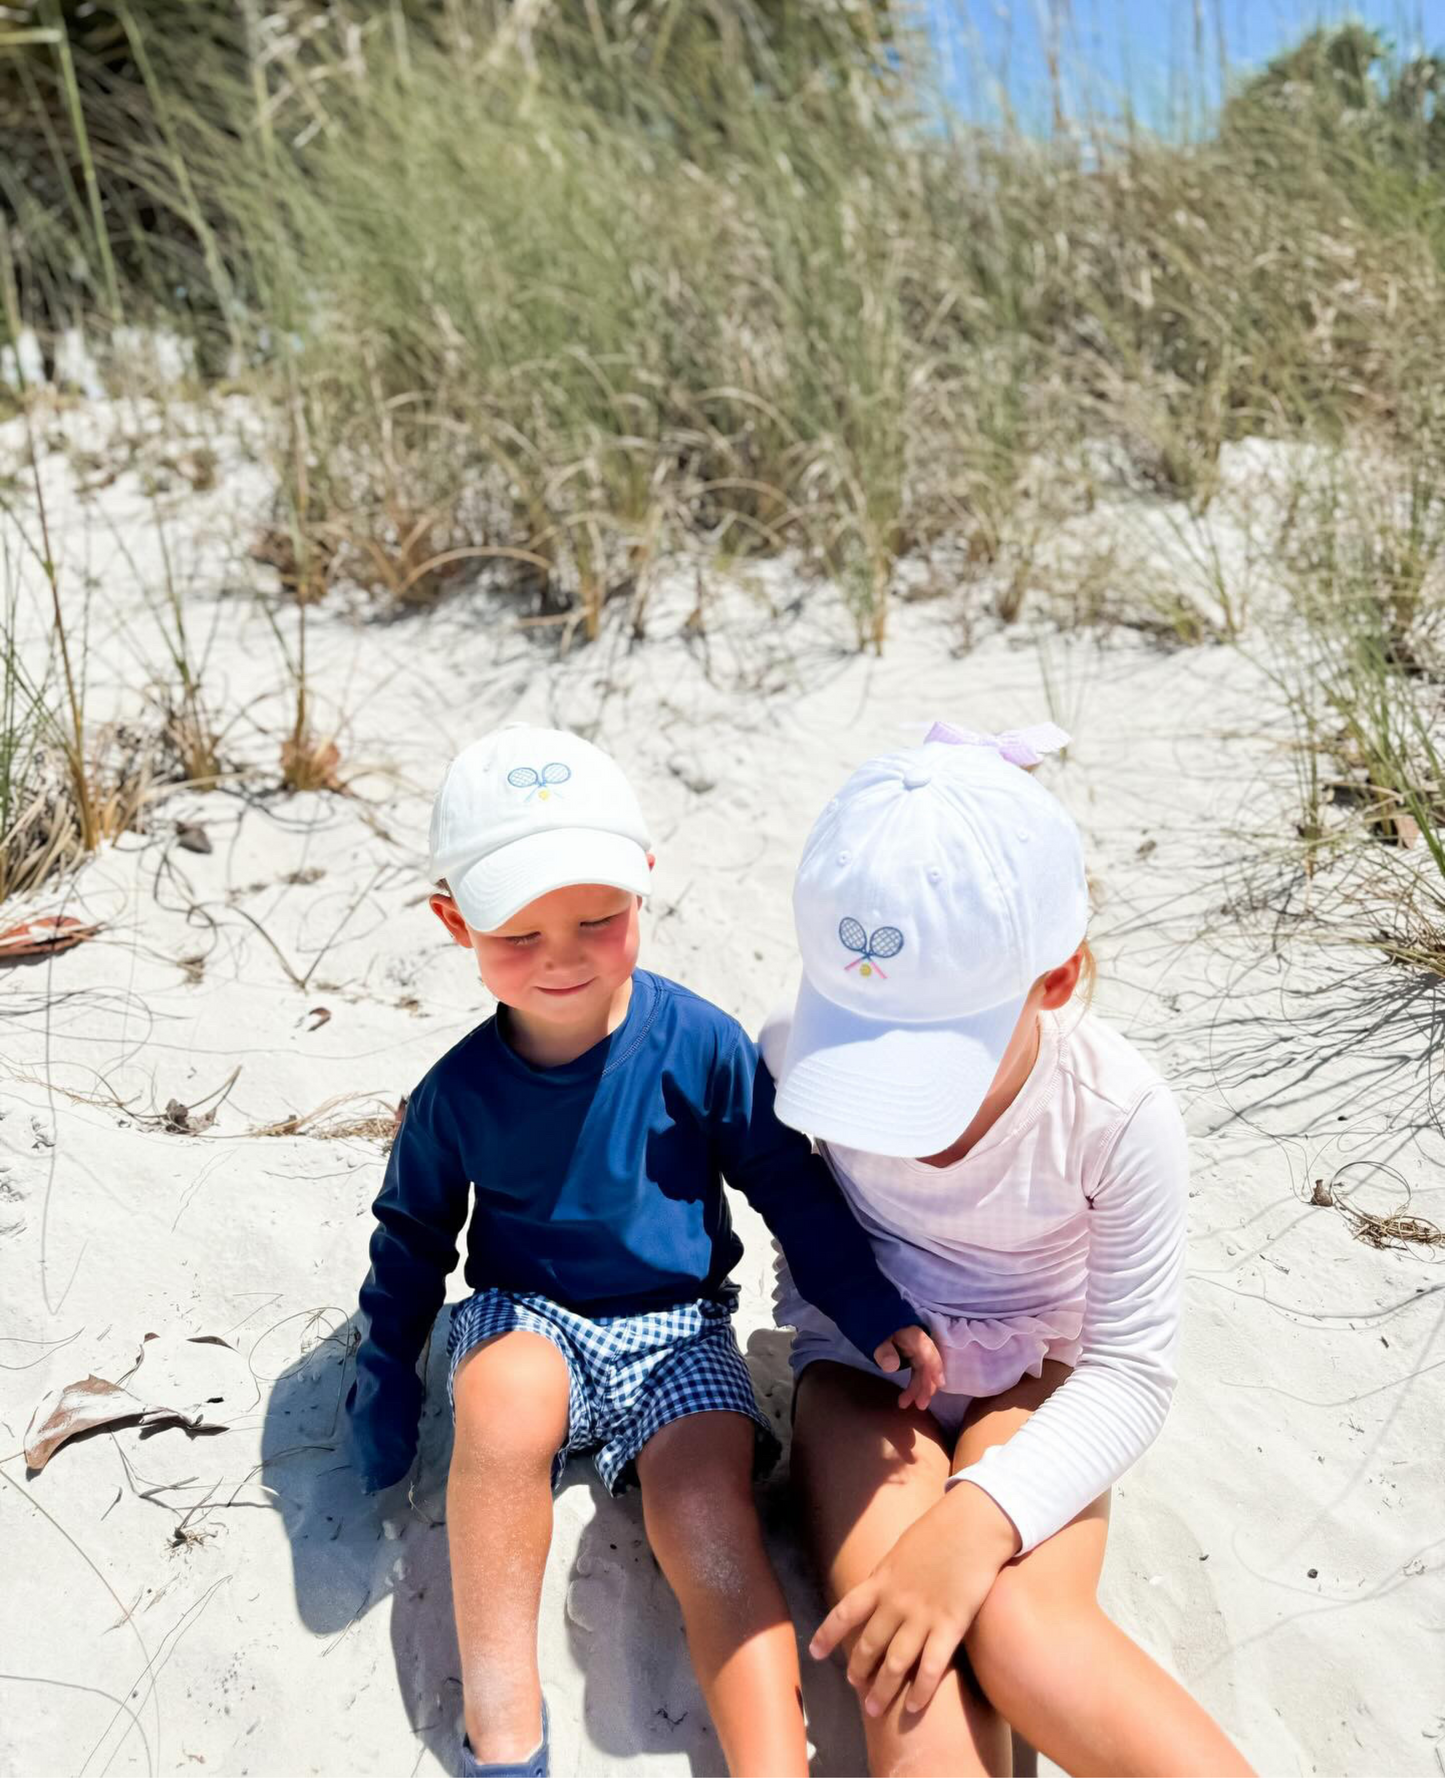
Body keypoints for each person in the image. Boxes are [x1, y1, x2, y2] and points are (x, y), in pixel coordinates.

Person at [345, 723, 942, 1778]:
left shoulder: (700, 1042)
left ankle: (770, 1761)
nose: (563, 954)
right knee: (499, 1406)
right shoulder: (456, 1093)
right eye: (518, 934)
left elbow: (785, 1183)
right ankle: (504, 1729)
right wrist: (386, 1366)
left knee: (703, 1502)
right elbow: (413, 1239)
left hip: (678, 1325)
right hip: (527, 1309)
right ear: (453, 920)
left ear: (642, 886)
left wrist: (867, 1300)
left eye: (596, 917)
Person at [761, 720, 1254, 1778]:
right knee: (904, 1662)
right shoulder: (788, 1050)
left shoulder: (1115, 1114)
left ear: (1055, 978)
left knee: (1025, 1637)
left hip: (1039, 1376)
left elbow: (1127, 1370)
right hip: (859, 1369)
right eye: (859, 1043)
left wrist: (977, 1518)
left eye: (928, 1059)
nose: (892, 1107)